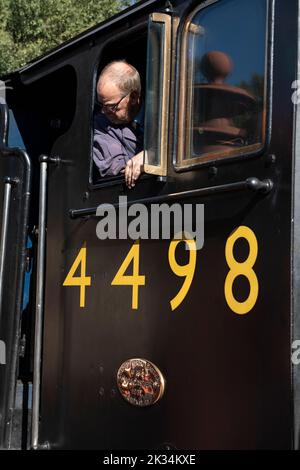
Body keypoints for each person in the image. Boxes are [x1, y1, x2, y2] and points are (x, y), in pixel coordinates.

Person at [93, 60, 144, 188]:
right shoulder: (101, 123)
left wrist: (150, 156)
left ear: (133, 97)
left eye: (111, 106)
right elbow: (118, 169)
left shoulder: (163, 111)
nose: (104, 112)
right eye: (101, 105)